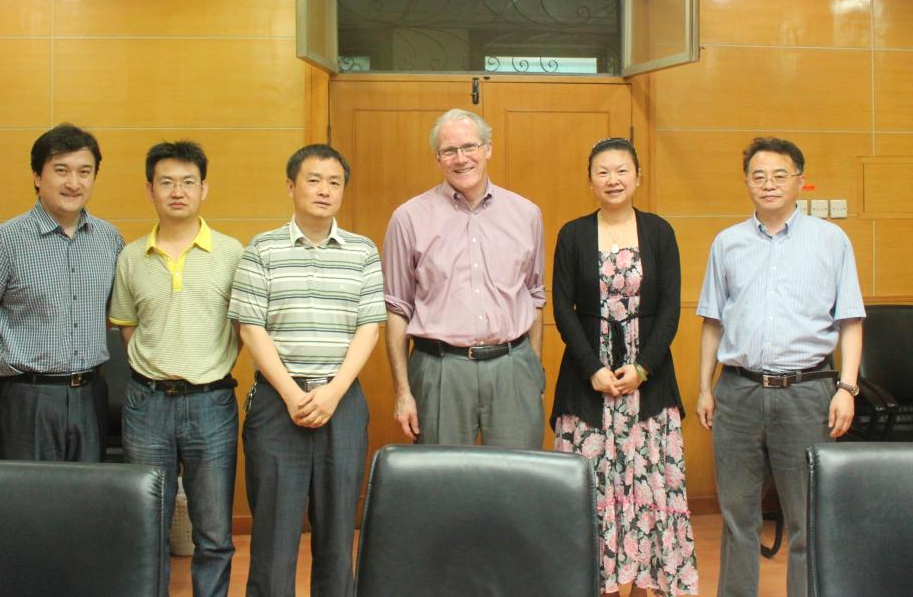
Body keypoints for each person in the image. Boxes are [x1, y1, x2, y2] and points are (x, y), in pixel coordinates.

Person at [696, 137, 865, 597]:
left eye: (779, 175)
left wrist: (847, 388)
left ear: (800, 181)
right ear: (747, 182)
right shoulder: (727, 243)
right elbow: (712, 322)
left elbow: (850, 320)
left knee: (807, 519)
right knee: (737, 518)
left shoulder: (831, 240)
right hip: (738, 392)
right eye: (758, 176)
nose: (768, 184)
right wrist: (705, 388)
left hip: (807, 393)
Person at [230, 144, 385, 597]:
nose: (324, 190)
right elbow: (250, 327)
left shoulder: (363, 251)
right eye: (314, 180)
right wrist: (292, 393)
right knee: (274, 534)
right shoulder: (262, 249)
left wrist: (333, 392)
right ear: (291, 186)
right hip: (278, 403)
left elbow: (370, 327)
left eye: (334, 182)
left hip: (342, 402)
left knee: (338, 532)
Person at [551, 137, 698, 596]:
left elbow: (671, 308)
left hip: (648, 381)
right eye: (602, 171)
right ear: (590, 180)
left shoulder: (660, 232)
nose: (612, 180)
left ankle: (646, 582)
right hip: (587, 380)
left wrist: (643, 367)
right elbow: (562, 309)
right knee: (591, 485)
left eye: (621, 171)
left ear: (637, 177)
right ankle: (597, 583)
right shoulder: (572, 234)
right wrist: (592, 367)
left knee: (651, 483)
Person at [108, 141, 243, 597]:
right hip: (146, 405)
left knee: (214, 532)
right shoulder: (131, 257)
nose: (177, 191)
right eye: (166, 182)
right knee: (147, 526)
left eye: (188, 182)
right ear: (150, 190)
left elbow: (244, 328)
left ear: (204, 189)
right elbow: (127, 327)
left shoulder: (232, 253)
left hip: (212, 403)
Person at [0, 123, 123, 461]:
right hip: (27, 397)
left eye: (84, 172)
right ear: (37, 176)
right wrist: (19, 357)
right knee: (28, 492)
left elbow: (110, 312)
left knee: (89, 489)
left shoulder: (110, 239)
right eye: (61, 170)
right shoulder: (5, 240)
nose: (73, 183)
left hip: (90, 394)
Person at [382, 108, 546, 448]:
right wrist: (403, 392)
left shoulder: (526, 214)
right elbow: (397, 308)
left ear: (488, 149)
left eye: (470, 146)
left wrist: (532, 371)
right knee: (442, 477)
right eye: (449, 151)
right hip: (440, 369)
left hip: (513, 368)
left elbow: (535, 296)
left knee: (518, 476)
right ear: (437, 158)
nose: (461, 158)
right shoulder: (408, 218)